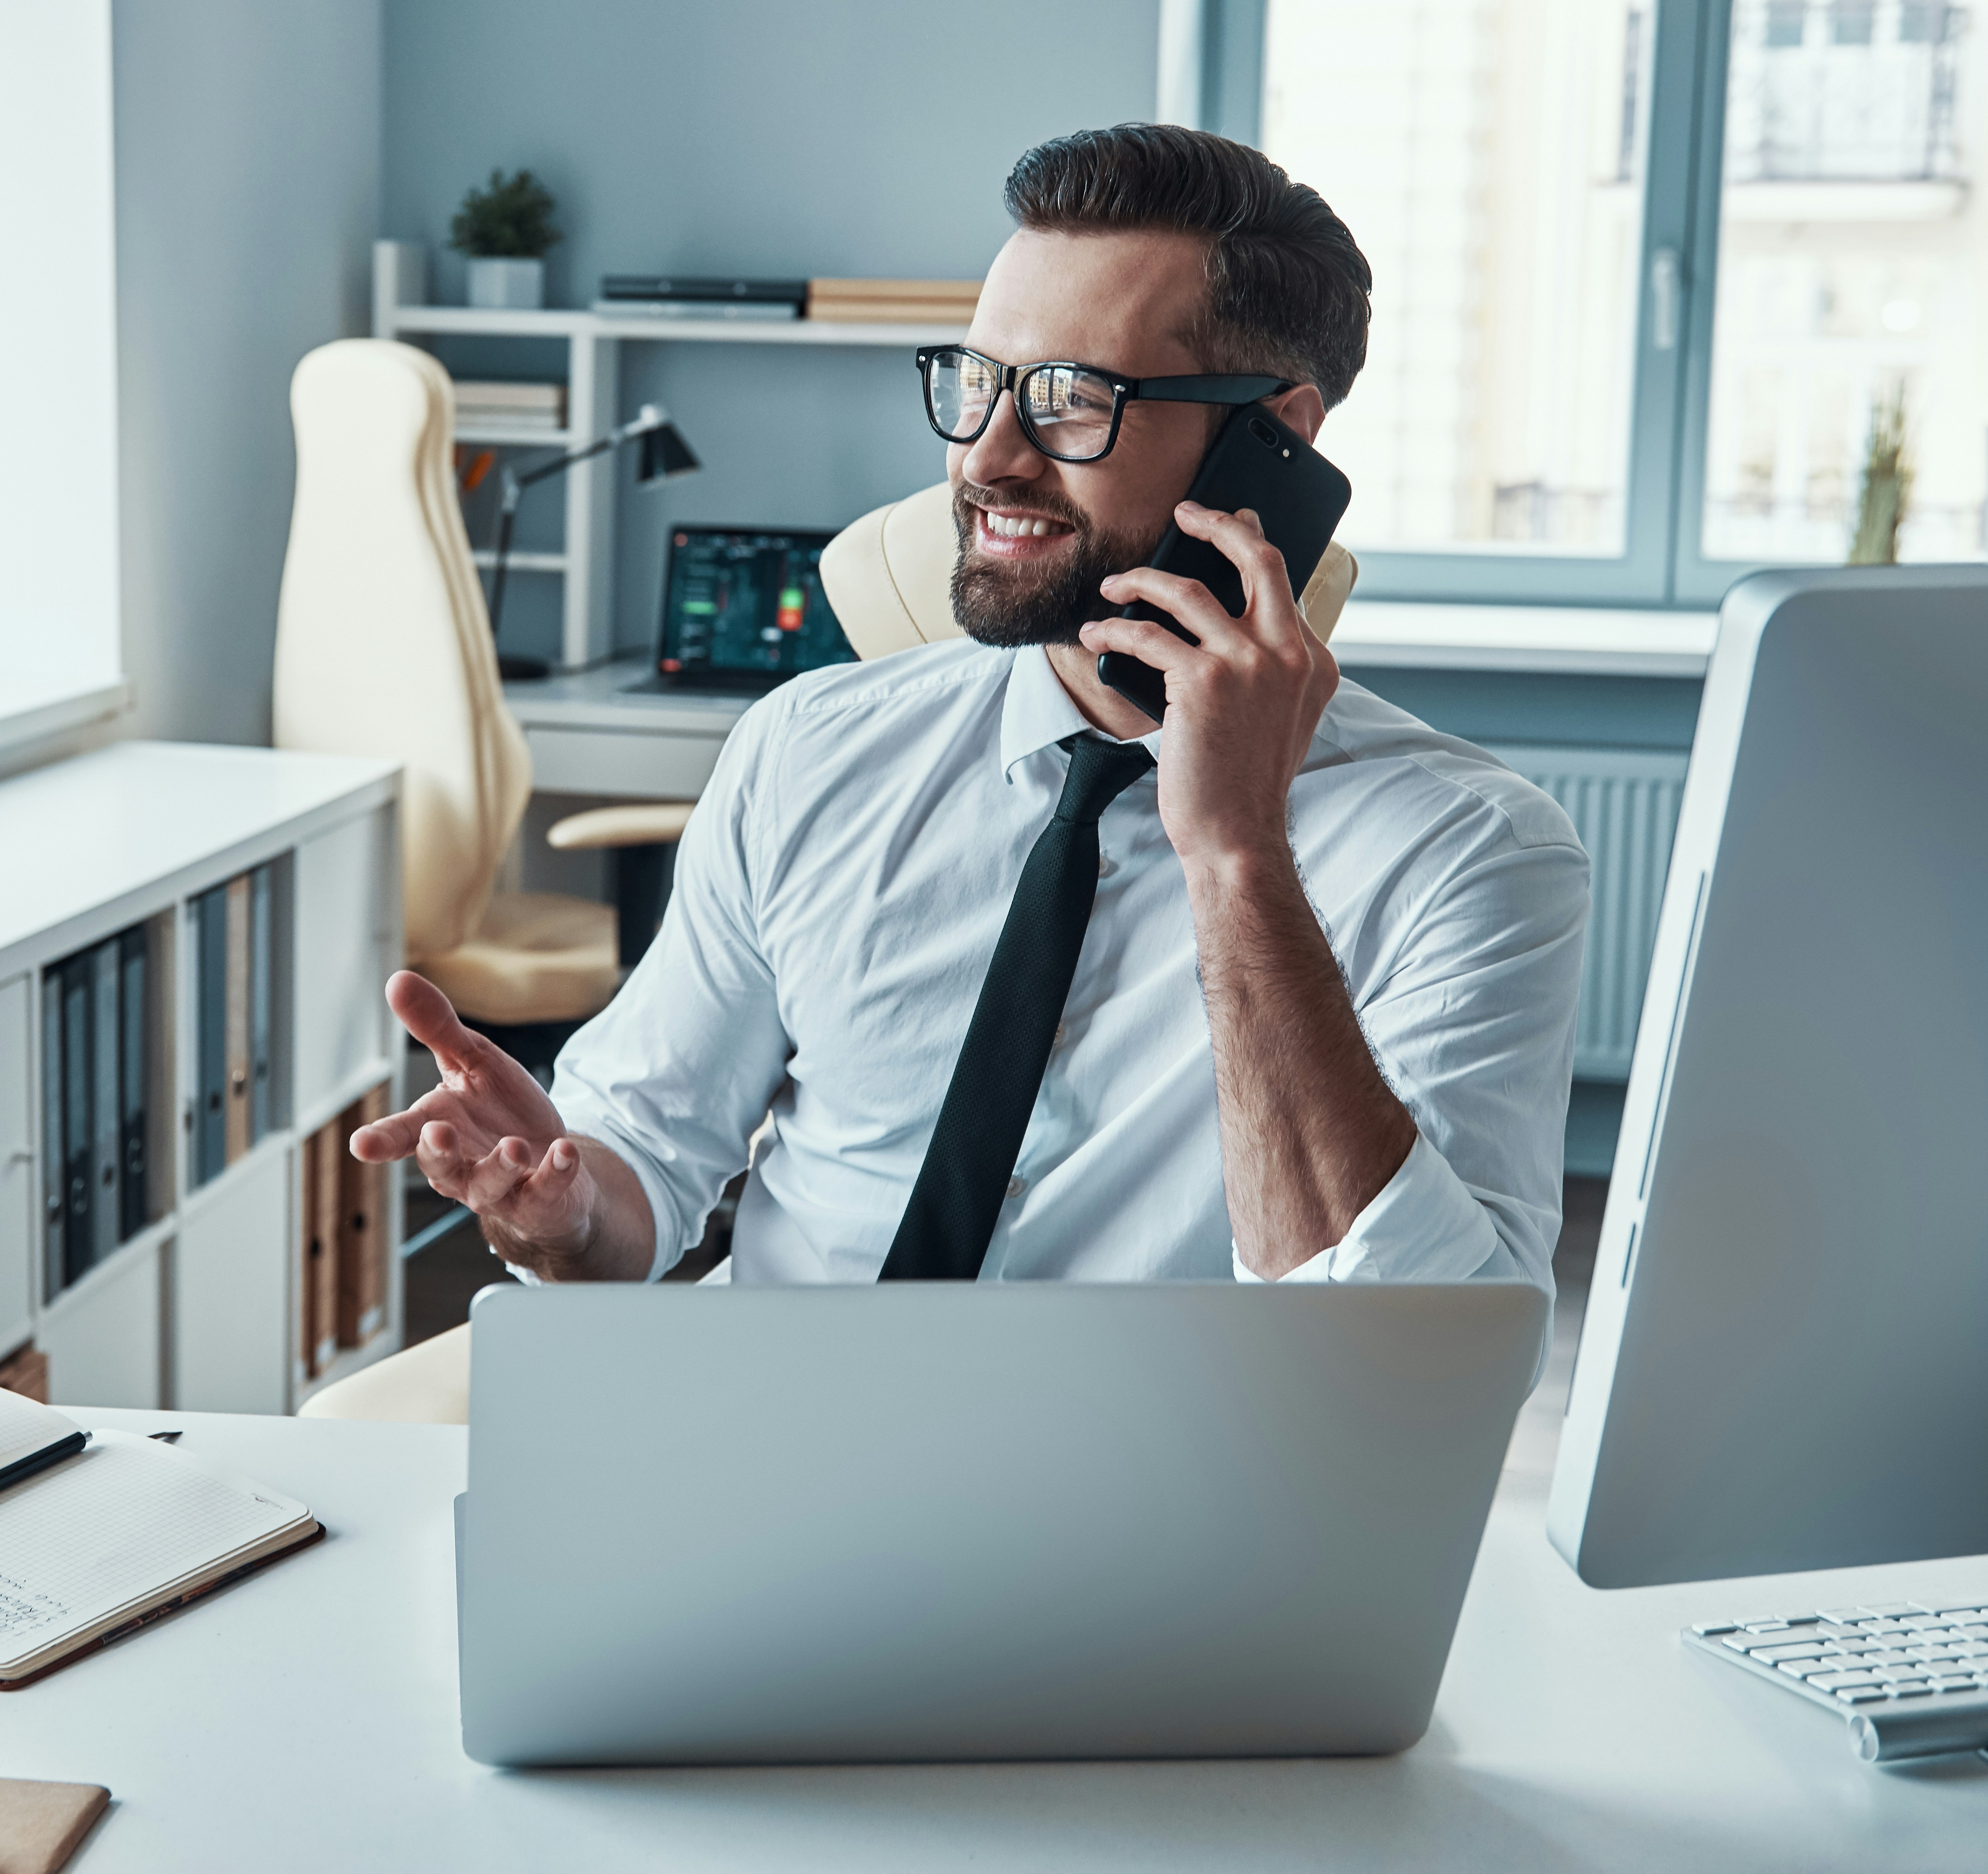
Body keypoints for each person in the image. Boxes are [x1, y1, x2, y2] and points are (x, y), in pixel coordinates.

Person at [347, 122, 1586, 1324]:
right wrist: (558, 1213)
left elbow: (1410, 1367)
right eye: (977, 380)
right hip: (782, 1448)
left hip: (1147, 1509)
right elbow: (641, 1175)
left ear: (1276, 440)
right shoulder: (809, 749)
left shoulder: (1470, 855)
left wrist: (1237, 854)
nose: (987, 457)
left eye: (1069, 399)